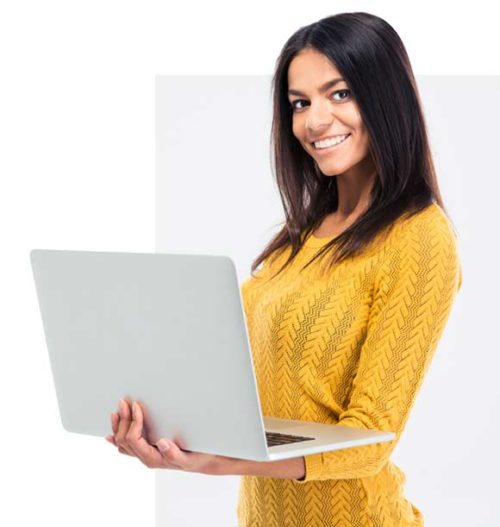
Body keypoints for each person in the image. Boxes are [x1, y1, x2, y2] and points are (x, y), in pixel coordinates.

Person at [105, 11, 463, 527]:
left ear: (386, 96)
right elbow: (239, 386)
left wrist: (222, 462)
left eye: (340, 93)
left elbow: (371, 440)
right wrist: (160, 421)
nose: (315, 121)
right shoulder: (296, 240)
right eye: (300, 103)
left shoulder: (418, 236)